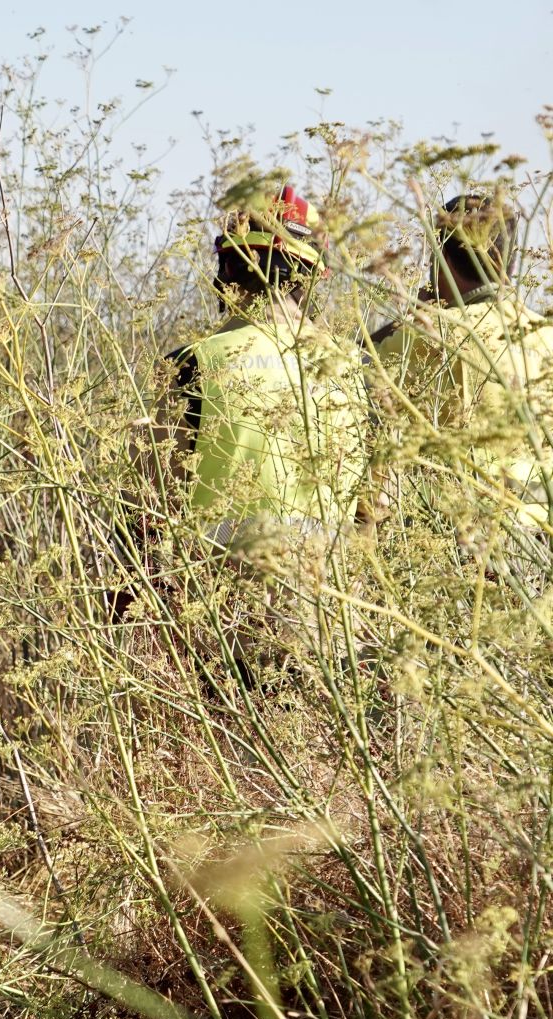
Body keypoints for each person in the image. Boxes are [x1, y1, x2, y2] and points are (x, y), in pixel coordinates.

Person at [157, 184, 372, 677]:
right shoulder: (355, 368)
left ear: (227, 270)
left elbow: (150, 510)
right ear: (310, 275)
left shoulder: (191, 364)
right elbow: (373, 512)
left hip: (220, 632)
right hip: (331, 630)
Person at [371, 193, 552, 592]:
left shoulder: (433, 335)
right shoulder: (545, 335)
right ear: (508, 262)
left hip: (461, 544)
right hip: (540, 544)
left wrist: (409, 319)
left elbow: (353, 370)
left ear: (442, 260)